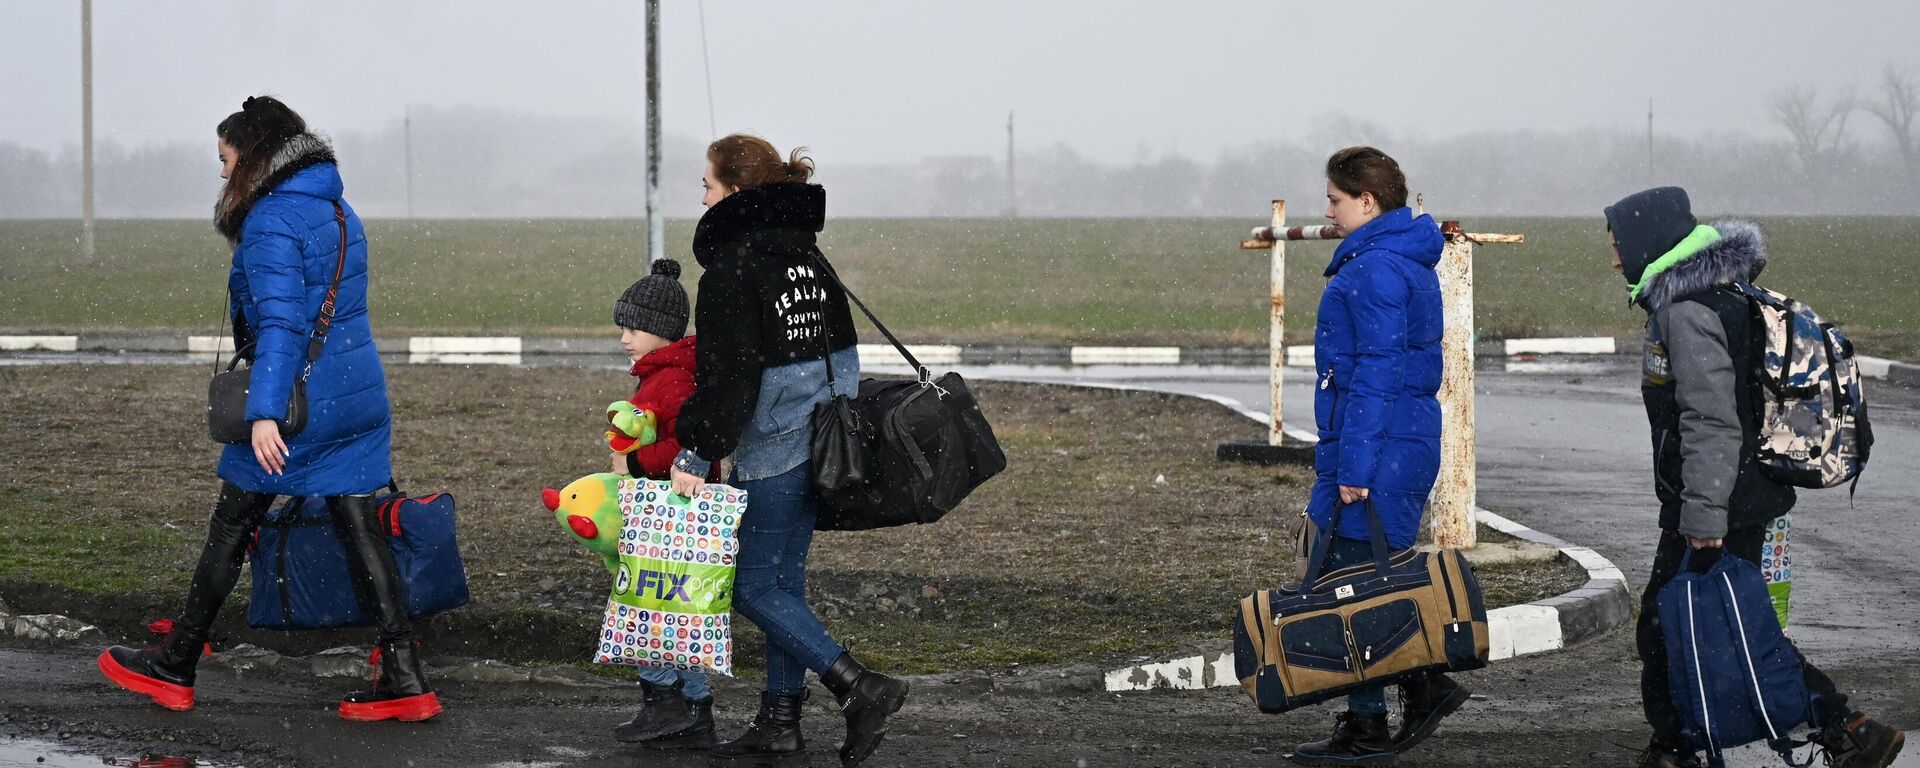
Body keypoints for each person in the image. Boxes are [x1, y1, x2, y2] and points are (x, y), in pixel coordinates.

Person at [96, 96, 438, 721]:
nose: (222, 173)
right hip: (356, 395)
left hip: (300, 406)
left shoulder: (271, 220)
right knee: (361, 527)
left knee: (232, 522)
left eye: (225, 159)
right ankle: (405, 674)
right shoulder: (338, 210)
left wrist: (263, 412)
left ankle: (176, 662)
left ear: (253, 156)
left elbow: (281, 323)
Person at [1606, 187, 1904, 768]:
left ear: (1646, 240)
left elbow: (1711, 420)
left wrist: (1703, 515)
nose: (1614, 255)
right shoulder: (1704, 296)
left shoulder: (1688, 309)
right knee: (1705, 627)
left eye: (1617, 240)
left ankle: (1844, 727)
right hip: (1730, 493)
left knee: (1710, 633)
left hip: (1721, 500)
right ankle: (1676, 747)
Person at [669, 134, 908, 767]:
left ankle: (859, 687)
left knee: (749, 587)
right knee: (783, 586)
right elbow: (845, 356)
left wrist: (697, 451)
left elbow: (730, 377)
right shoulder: (805, 254)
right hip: (825, 445)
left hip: (773, 450)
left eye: (708, 185)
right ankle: (779, 721)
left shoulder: (732, 269)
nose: (701, 195)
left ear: (736, 194)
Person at [1289, 146, 1468, 767]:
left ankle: (1377, 718)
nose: (1328, 209)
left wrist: (1354, 470)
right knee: (1368, 583)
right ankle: (1412, 691)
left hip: (1379, 450)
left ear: (1367, 201)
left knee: (1349, 589)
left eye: (1335, 199)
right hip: (1395, 443)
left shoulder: (1374, 271)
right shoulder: (1396, 261)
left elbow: (1376, 375)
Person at [599, 257, 717, 749]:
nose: (625, 337)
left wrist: (635, 460)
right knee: (677, 612)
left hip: (669, 509)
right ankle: (694, 712)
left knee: (647, 606)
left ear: (662, 331)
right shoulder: (665, 373)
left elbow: (684, 444)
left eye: (633, 328)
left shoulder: (672, 380)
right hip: (676, 510)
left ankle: (664, 702)